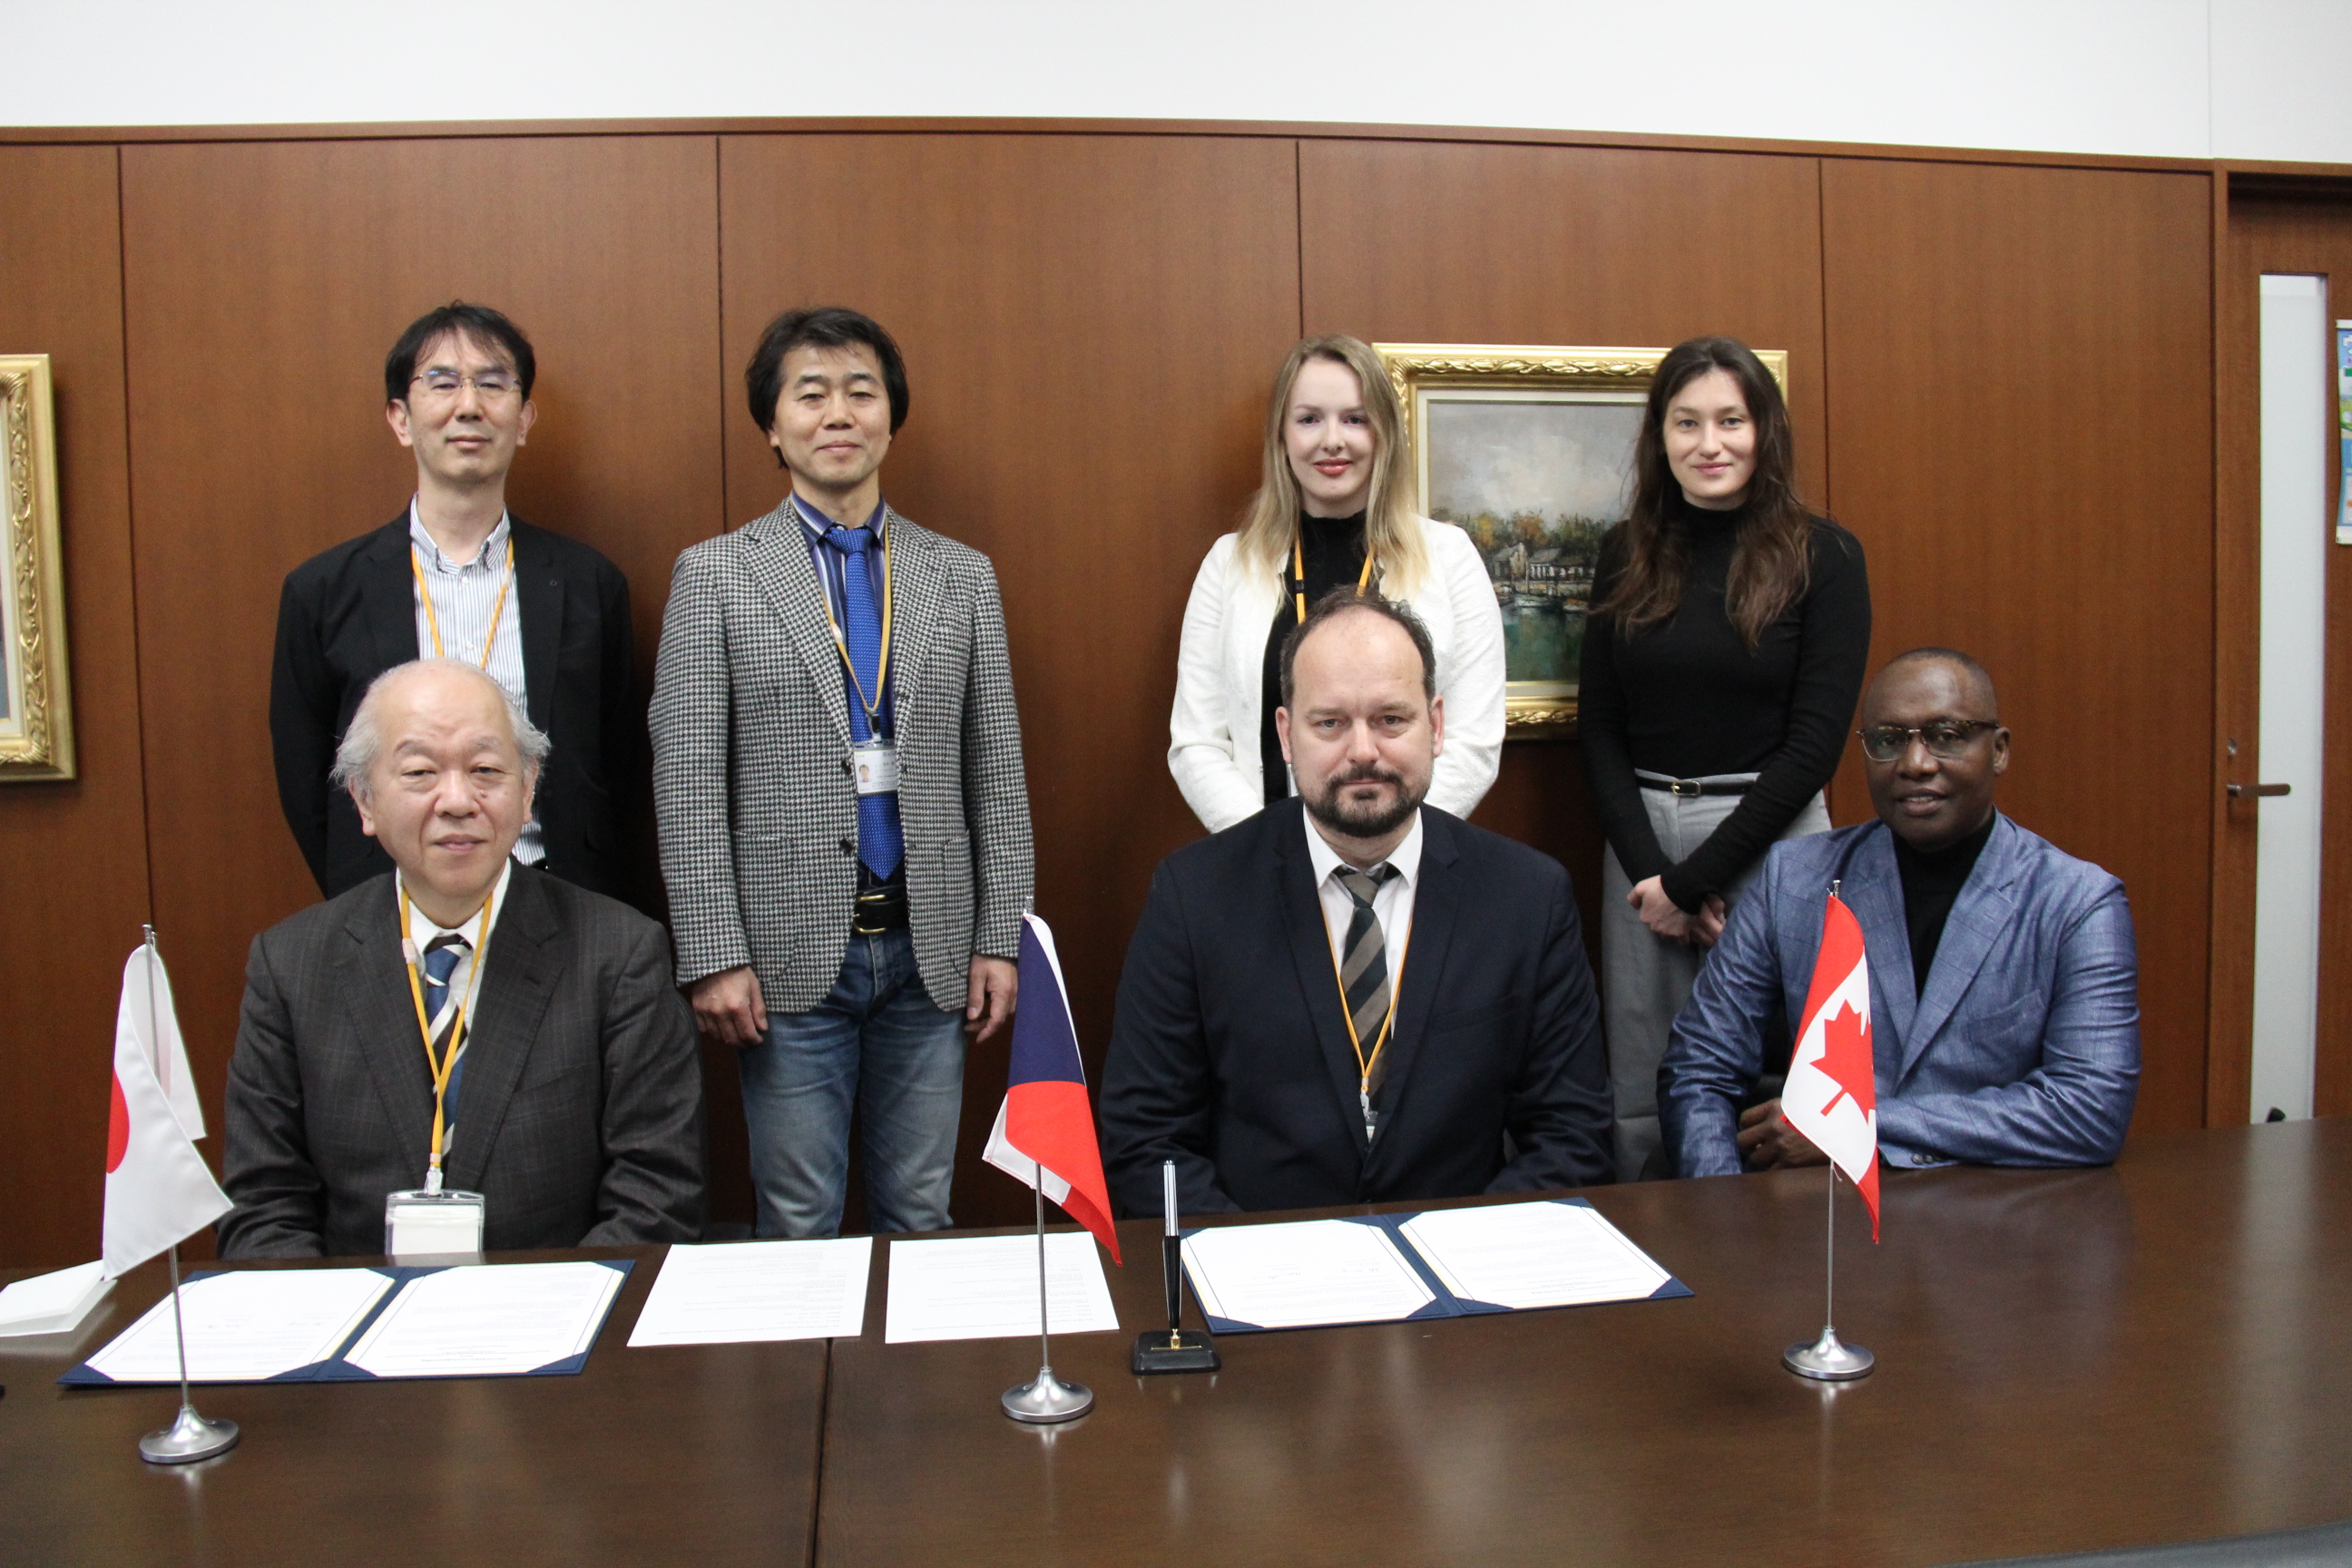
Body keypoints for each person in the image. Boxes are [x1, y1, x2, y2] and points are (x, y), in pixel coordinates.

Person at [651, 306, 1033, 1240]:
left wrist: (1001, 936)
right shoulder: (715, 575)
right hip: (783, 961)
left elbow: (998, 769)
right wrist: (713, 952)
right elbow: (689, 774)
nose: (838, 413)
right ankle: (803, 1390)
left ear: (890, 419)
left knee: (922, 1214)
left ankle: (918, 1392)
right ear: (771, 426)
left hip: (931, 949)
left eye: (861, 392)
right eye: (809, 394)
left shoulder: (960, 575)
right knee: (797, 1219)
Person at [1101, 590, 1612, 1215]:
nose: (1364, 750)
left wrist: (1457, 1259)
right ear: (1287, 734)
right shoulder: (1195, 896)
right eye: (1331, 723)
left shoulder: (1528, 898)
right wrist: (1258, 1269)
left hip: (1464, 1282)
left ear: (1438, 724)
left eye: (1391, 720)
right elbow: (1145, 1140)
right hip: (1260, 1277)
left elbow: (1572, 1135)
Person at [220, 660, 705, 1258]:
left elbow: (657, 1195)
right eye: (420, 771)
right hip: (361, 1328)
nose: (458, 800)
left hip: (553, 1325)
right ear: (364, 801)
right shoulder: (291, 965)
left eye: (485, 770)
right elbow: (263, 1205)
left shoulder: (619, 954)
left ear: (527, 792)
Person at [1659, 649, 2141, 1174]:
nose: (1916, 764)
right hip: (1820, 1222)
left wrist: (1858, 1125)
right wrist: (1724, 1208)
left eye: (1947, 736)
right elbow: (1698, 1066)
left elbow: (2089, 1112)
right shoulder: (1794, 879)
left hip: (1999, 1218)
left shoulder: (2078, 902)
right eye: (1889, 740)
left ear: (1998, 751)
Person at [1579, 335, 1870, 1183]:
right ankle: (1660, 1269)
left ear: (1764, 429)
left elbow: (1814, 746)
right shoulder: (1623, 552)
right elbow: (1600, 731)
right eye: (1687, 422)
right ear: (1659, 438)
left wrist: (1697, 880)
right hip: (1641, 852)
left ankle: (1778, 1277)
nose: (1710, 443)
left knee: (1779, 1070)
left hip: (1775, 841)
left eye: (1731, 420)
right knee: (1641, 1080)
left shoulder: (1827, 556)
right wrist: (1658, 883)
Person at [271, 301, 639, 901]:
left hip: (560, 908)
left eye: (493, 383)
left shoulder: (589, 585)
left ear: (523, 418)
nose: (469, 405)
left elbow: (617, 770)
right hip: (389, 915)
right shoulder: (323, 593)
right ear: (400, 418)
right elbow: (311, 785)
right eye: (442, 382)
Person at [1170, 334, 1505, 833]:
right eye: (1309, 419)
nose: (1333, 439)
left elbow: (1472, 743)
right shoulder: (1227, 565)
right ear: (1282, 438)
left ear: (1385, 434)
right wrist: (1273, 850)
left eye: (1355, 418)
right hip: (1264, 864)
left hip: (1410, 863)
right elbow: (1197, 743)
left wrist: (1391, 844)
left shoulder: (1451, 557)